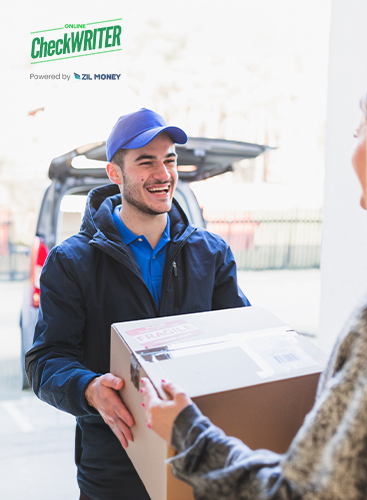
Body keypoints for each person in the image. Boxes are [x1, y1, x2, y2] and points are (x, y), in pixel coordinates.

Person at [141, 58, 367, 499]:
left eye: (360, 129)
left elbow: (315, 493)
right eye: (146, 162)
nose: (162, 174)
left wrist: (191, 436)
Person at [25, 107, 250, 500]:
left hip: (197, 456)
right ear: (115, 174)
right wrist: (89, 387)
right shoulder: (72, 262)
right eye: (146, 162)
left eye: (169, 161)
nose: (163, 175)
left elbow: (242, 341)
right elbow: (45, 360)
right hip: (114, 465)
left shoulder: (211, 254)